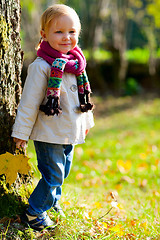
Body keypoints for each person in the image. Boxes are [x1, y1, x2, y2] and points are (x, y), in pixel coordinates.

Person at [11, 4, 94, 231]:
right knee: (53, 175)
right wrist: (21, 133)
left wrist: (86, 124)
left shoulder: (77, 65)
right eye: (58, 32)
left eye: (72, 32)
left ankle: (52, 202)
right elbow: (28, 103)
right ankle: (34, 212)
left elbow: (83, 98)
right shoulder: (42, 67)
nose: (66, 37)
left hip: (69, 132)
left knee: (63, 172)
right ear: (44, 34)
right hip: (49, 133)